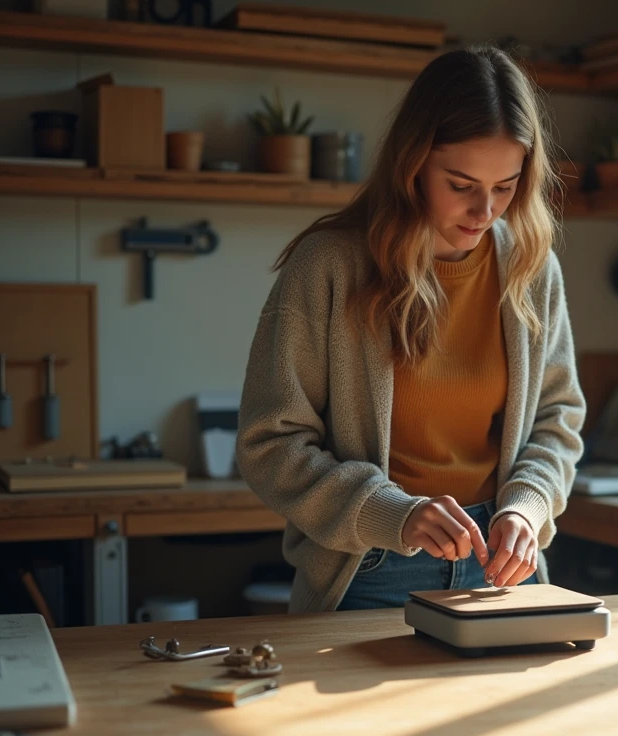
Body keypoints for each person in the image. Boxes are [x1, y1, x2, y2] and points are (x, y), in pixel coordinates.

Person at [235, 44, 586, 613]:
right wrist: (391, 512)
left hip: (501, 569)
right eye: (461, 184)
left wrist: (528, 505)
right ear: (413, 163)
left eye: (506, 186)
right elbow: (269, 444)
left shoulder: (531, 266)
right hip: (368, 568)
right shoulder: (328, 265)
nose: (485, 211)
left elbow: (557, 419)